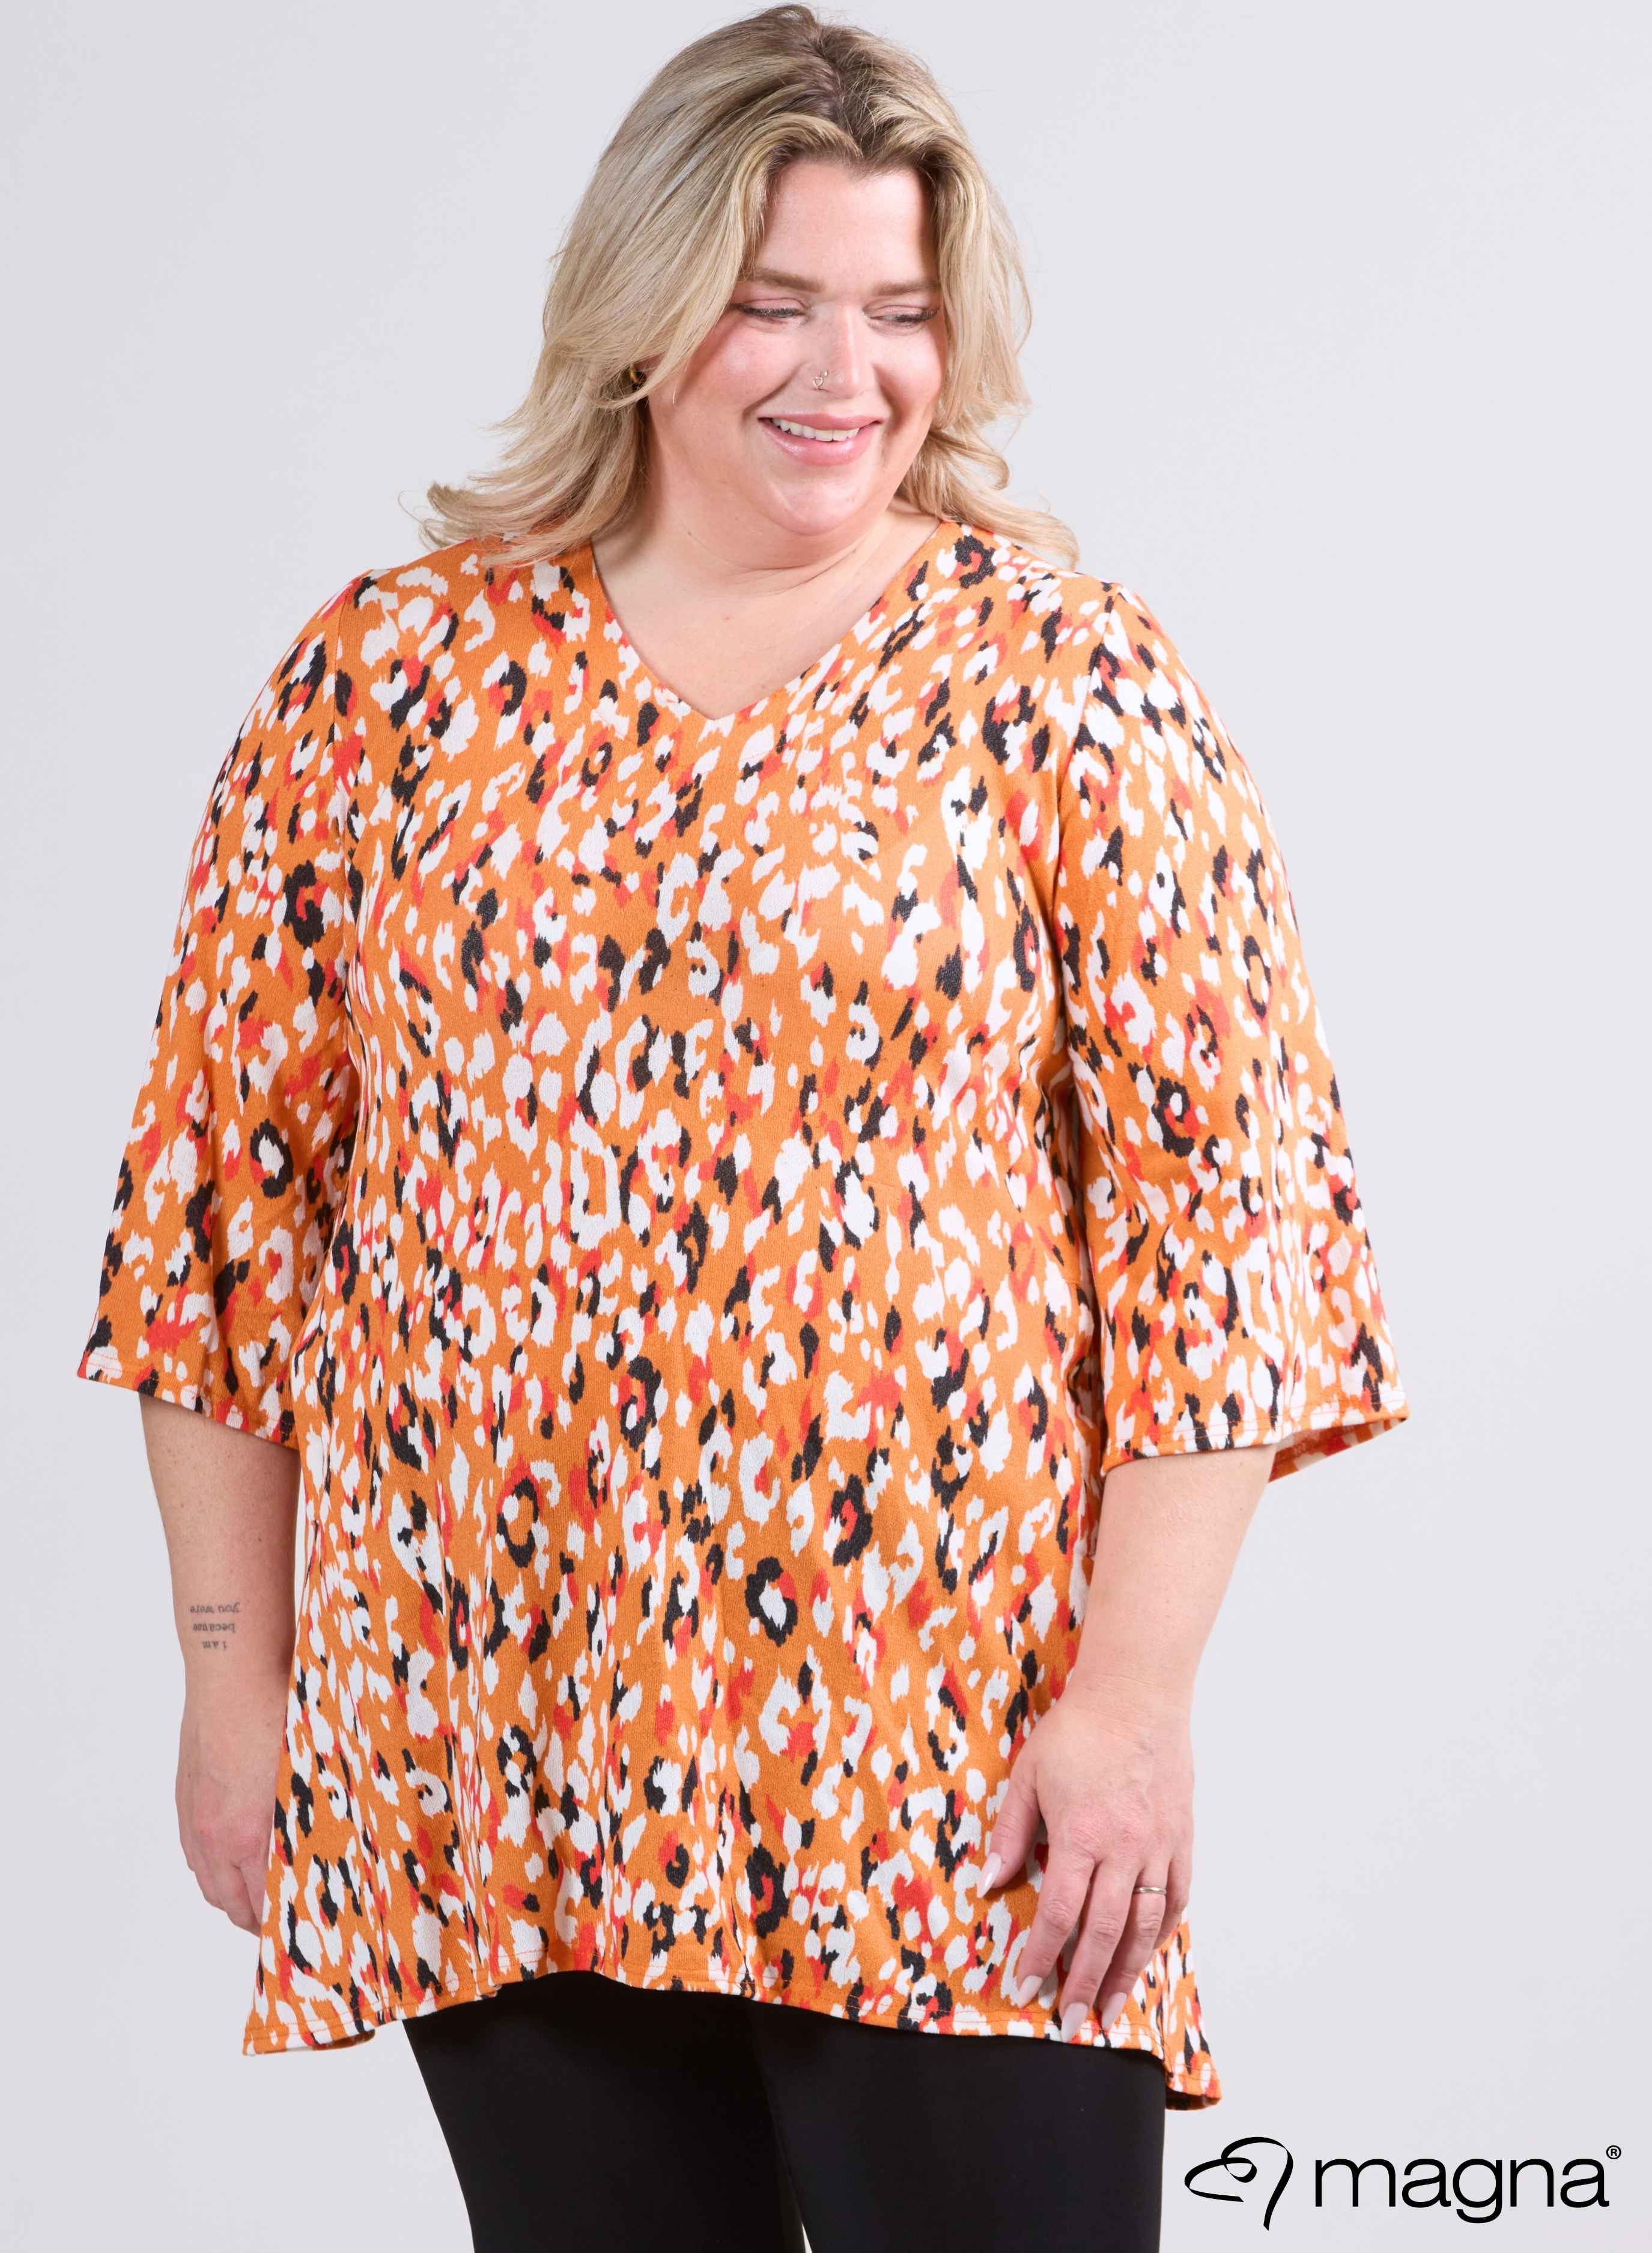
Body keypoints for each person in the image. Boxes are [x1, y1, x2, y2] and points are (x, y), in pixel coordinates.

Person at [73, 7, 1410, 2249]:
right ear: (641, 306)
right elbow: (224, 1221)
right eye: (772, 302)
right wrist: (236, 1678)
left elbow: (1234, 1232)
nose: (843, 372)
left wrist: (1134, 1701)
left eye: (898, 309)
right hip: (493, 1743)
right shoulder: (383, 683)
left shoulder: (1067, 680)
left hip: (943, 1747)